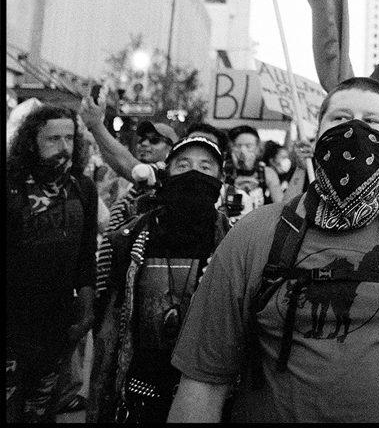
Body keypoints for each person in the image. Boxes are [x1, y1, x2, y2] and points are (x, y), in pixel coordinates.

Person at [167, 76, 379, 422]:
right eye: (340, 119)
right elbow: (203, 384)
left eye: (372, 122)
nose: (355, 131)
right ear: (318, 134)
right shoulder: (253, 235)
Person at [88, 135, 230, 422]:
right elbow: (107, 331)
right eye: (183, 165)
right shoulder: (126, 240)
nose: (194, 174)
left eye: (206, 167)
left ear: (220, 179)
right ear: (166, 173)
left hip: (203, 393)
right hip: (139, 390)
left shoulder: (236, 244)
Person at [7, 104, 98, 422]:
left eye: (69, 138)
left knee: (40, 410)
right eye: (53, 139)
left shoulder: (82, 187)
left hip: (56, 323)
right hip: (11, 323)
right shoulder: (12, 184)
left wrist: (87, 309)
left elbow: (86, 255)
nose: (63, 147)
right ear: (32, 142)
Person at [225, 125, 284, 221]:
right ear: (232, 148)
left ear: (257, 149)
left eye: (249, 146)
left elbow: (280, 204)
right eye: (238, 146)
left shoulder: (267, 173)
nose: (243, 151)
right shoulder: (224, 171)